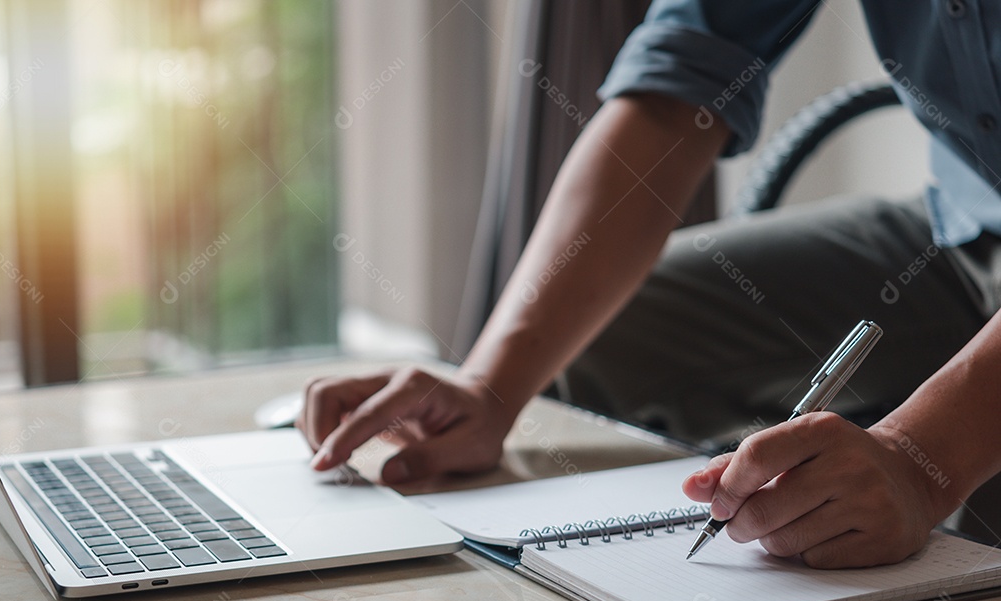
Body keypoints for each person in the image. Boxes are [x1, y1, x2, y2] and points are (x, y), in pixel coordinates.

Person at [297, 1, 1001, 569]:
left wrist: (922, 462)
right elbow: (678, 86)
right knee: (588, 343)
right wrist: (488, 385)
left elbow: (929, 463)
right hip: (962, 227)